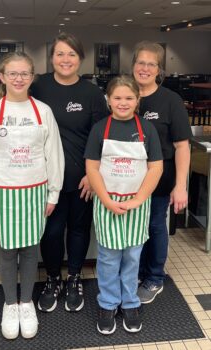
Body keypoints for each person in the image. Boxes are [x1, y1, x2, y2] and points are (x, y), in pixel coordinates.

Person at [0, 52, 64, 339]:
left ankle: (26, 303)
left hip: (35, 191)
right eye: (13, 73)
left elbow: (54, 155)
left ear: (32, 77)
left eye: (24, 73)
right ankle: (10, 304)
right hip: (2, 192)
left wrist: (53, 193)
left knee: (31, 249)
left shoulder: (43, 111)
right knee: (8, 250)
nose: (19, 78)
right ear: (2, 77)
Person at [31, 32, 109, 313]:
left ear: (80, 59)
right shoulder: (38, 87)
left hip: (82, 179)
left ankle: (74, 277)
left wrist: (93, 173)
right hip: (44, 179)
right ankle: (53, 278)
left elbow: (100, 135)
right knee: (51, 233)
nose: (66, 59)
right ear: (52, 58)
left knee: (77, 230)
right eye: (60, 54)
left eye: (71, 54)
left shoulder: (91, 93)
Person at [85, 75, 163, 335]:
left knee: (132, 256)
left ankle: (130, 302)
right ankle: (108, 303)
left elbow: (155, 167)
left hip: (137, 203)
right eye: (117, 97)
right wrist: (106, 200)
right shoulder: (100, 128)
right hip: (106, 201)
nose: (123, 102)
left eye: (129, 98)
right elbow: (92, 168)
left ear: (138, 100)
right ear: (108, 100)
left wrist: (138, 199)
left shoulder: (146, 129)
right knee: (108, 257)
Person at [131, 41, 192, 304]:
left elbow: (182, 146)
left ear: (159, 70)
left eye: (151, 64)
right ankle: (136, 272)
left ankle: (154, 277)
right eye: (140, 62)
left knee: (155, 225)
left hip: (160, 178)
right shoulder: (124, 95)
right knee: (133, 227)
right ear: (133, 65)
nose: (144, 68)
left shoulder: (170, 101)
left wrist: (180, 186)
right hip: (127, 178)